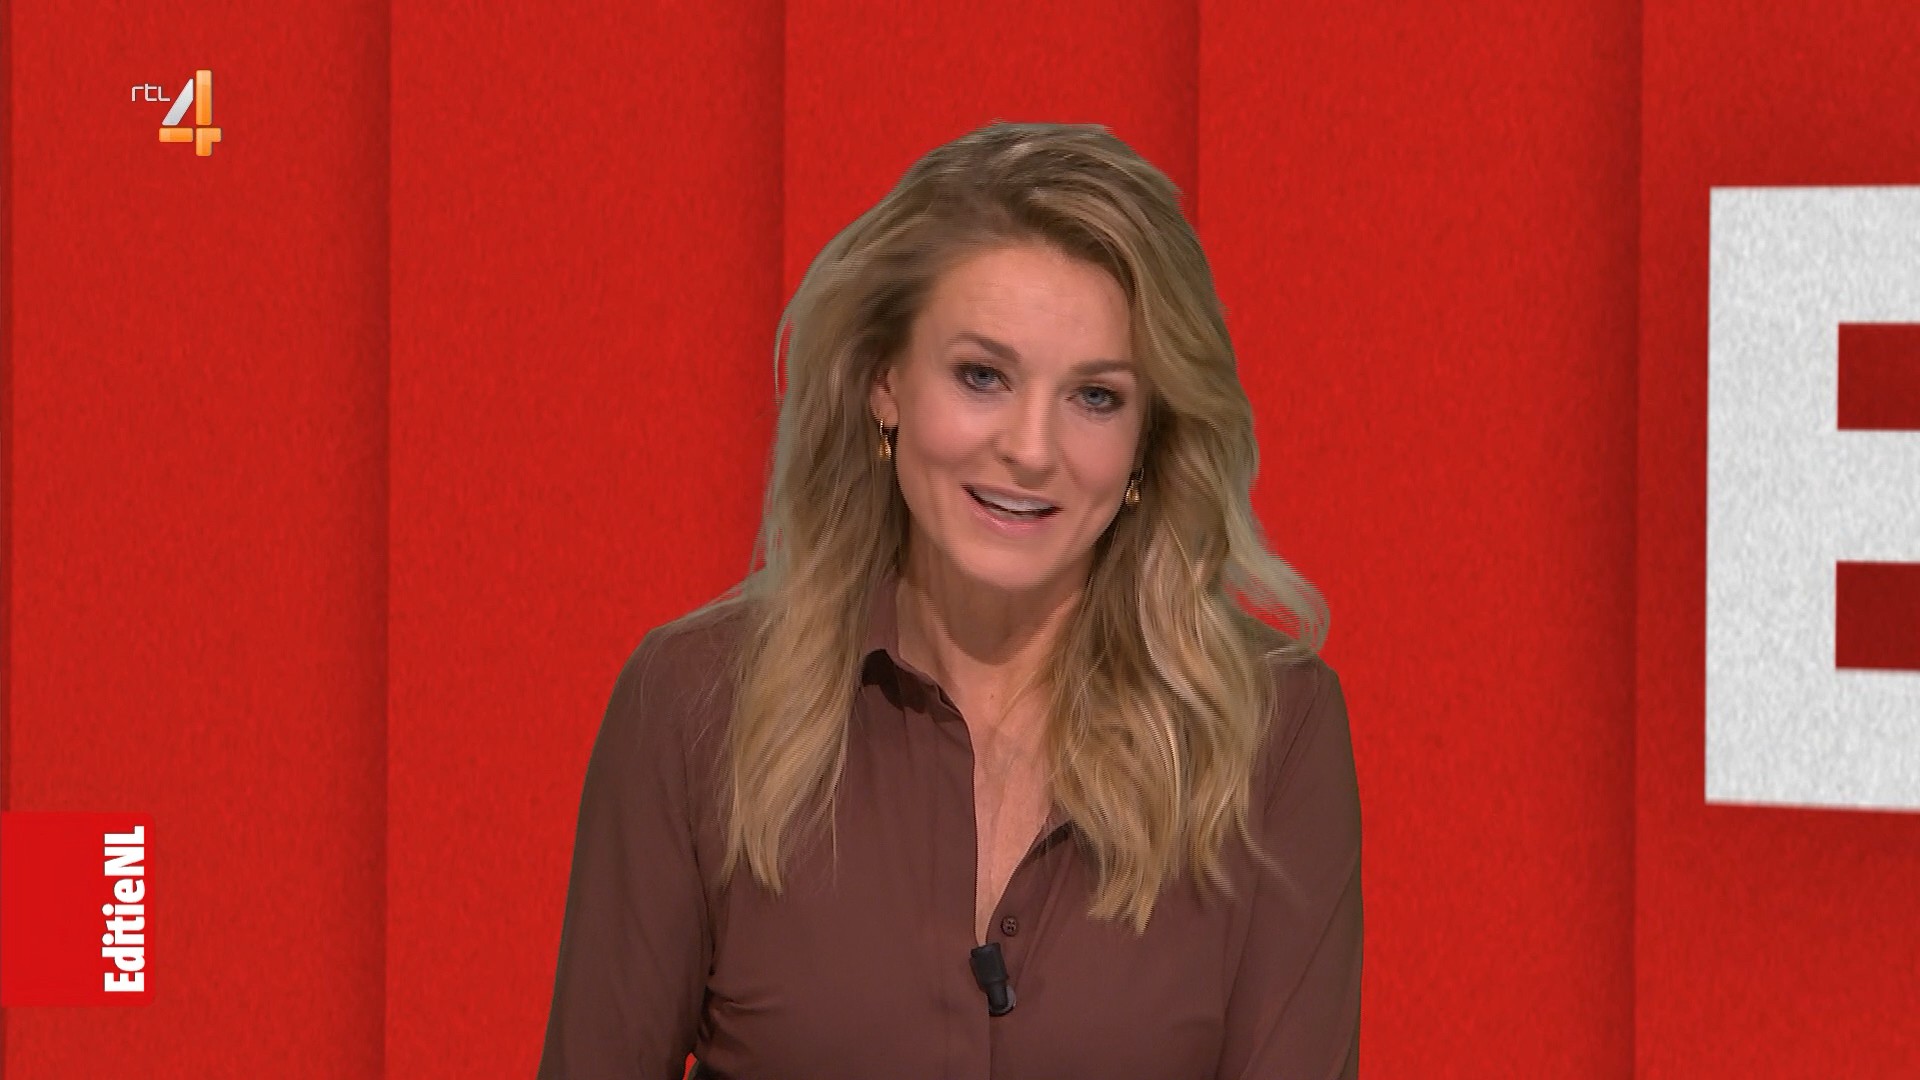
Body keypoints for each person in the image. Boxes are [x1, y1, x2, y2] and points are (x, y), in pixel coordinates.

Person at [537, 120, 1362, 1080]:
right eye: (982, 376)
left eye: (1095, 397)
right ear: (885, 381)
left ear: (1149, 439)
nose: (1031, 449)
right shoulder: (694, 705)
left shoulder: (1272, 732)